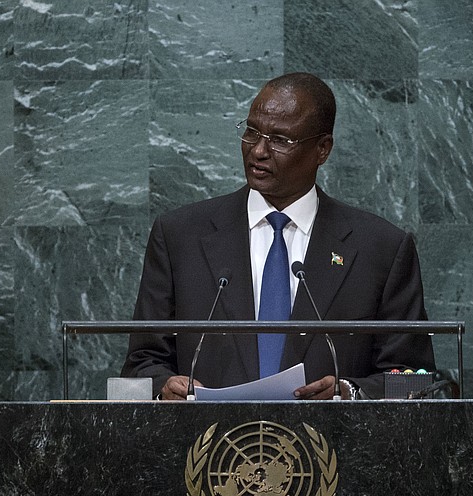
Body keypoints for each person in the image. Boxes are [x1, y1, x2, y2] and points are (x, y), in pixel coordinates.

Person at [121, 72, 435, 400]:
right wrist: (163, 388)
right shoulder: (179, 236)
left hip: (332, 446)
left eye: (280, 140)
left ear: (322, 149)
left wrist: (350, 392)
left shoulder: (381, 249)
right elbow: (141, 364)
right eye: (252, 131)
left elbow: (415, 377)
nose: (258, 150)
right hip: (210, 446)